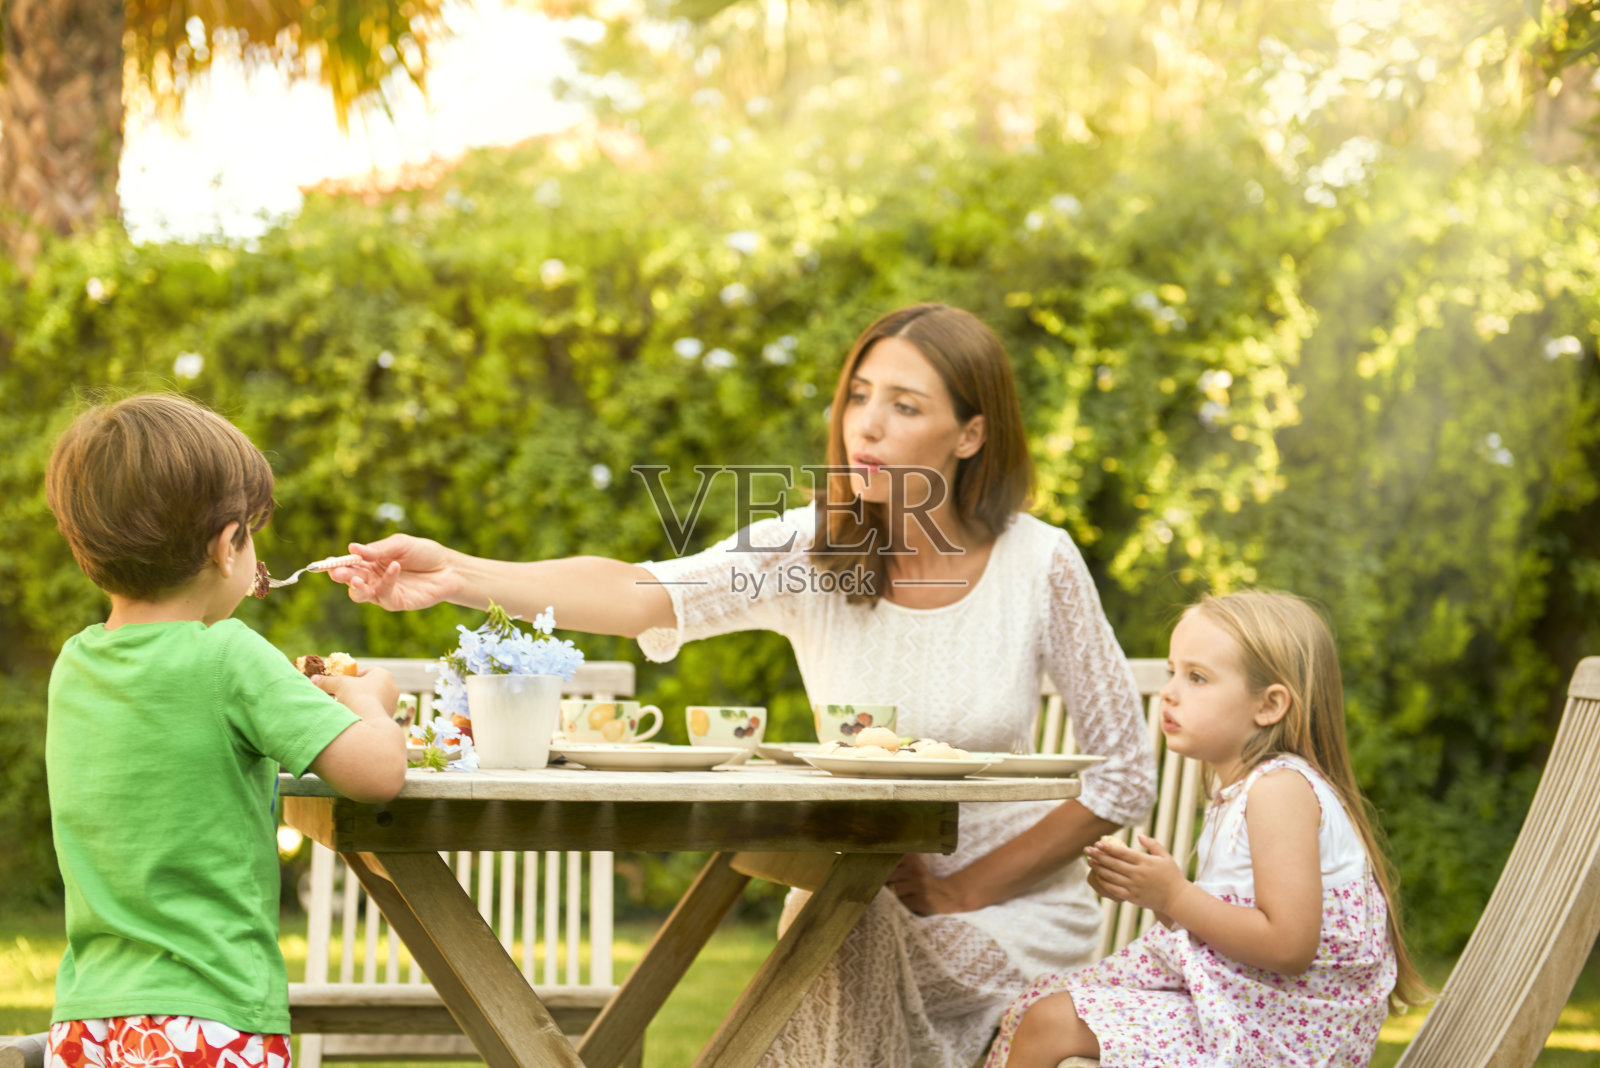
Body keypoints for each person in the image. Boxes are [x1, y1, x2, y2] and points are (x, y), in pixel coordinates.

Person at [330, 302, 1158, 1067]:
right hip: (861, 896)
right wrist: (458, 573)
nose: (866, 424)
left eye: (906, 406)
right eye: (859, 395)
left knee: (834, 934)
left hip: (1008, 922)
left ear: (971, 435)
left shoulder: (1039, 562)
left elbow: (1124, 769)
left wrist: (962, 886)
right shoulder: (810, 549)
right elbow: (638, 592)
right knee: (840, 921)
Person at [43, 393, 407, 1068]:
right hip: (209, 1018)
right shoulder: (229, 656)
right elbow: (378, 773)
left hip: (89, 1023)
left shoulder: (76, 665)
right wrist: (371, 700)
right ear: (226, 544)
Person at [987, 590, 1428, 1068]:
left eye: (1197, 677)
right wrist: (1155, 895)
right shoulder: (1241, 792)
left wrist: (1175, 895)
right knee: (1039, 1011)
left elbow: (1287, 946)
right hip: (1248, 1010)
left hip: (1288, 1034)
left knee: (1051, 1022)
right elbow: (1233, 932)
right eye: (1173, 671)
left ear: (1269, 705)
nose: (1172, 691)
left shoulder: (1280, 790)